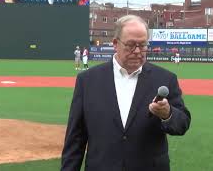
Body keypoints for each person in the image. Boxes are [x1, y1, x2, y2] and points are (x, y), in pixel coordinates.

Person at [61, 15, 191, 171]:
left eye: (142, 45)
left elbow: (182, 123)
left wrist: (167, 114)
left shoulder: (165, 79)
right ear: (115, 44)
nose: (137, 51)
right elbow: (76, 138)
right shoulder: (87, 80)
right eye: (130, 45)